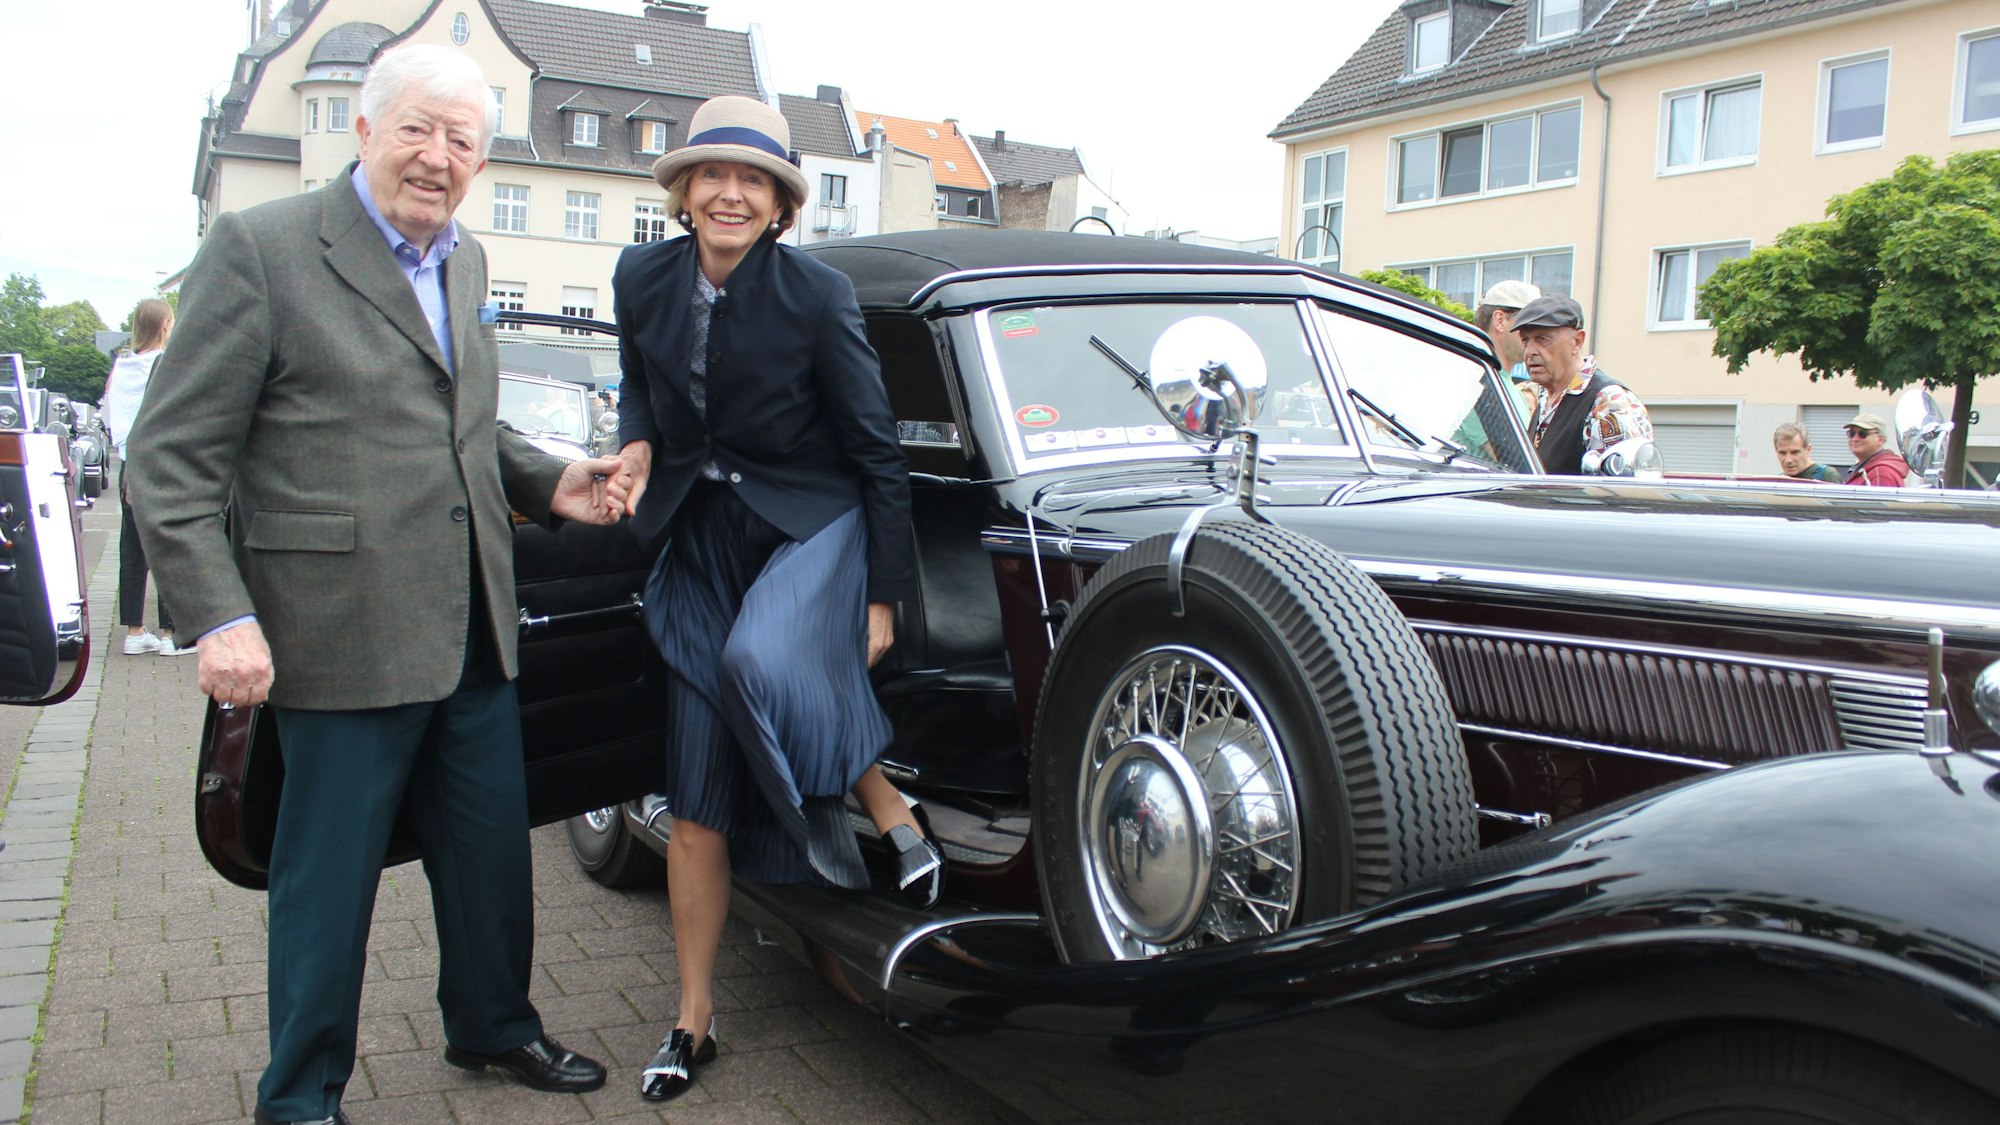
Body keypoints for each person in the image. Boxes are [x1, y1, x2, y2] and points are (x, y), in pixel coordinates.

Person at [128, 44, 619, 1125]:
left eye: (461, 141)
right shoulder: (262, 250)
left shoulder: (468, 260)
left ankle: (493, 1027)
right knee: (327, 886)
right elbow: (167, 458)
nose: (437, 158)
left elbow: (462, 428)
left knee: (492, 859)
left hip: (471, 627)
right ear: (363, 130)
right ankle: (299, 1096)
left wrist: (555, 484)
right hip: (337, 631)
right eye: (417, 129)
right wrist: (218, 613)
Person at [604, 95, 938, 1104]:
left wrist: (881, 600)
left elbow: (877, 453)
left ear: (782, 202)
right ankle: (692, 1019)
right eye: (712, 175)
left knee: (762, 660)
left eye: (753, 180)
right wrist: (635, 444)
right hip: (701, 537)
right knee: (696, 795)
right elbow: (635, 385)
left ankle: (879, 807)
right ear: (684, 191)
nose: (730, 194)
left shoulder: (816, 294)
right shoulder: (639, 275)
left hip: (810, 521)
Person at [103, 298, 193, 656]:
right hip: (160, 464)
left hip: (128, 463)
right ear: (166, 325)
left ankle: (135, 632)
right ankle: (172, 634)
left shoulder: (121, 366)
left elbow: (110, 417)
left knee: (132, 550)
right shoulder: (165, 363)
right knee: (168, 547)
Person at [1514, 295, 1654, 474]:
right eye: (1525, 340)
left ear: (1577, 341)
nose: (1530, 351)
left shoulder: (1607, 401)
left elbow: (1621, 488)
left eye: (1542, 339)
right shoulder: (1544, 396)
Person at [1473, 279, 1540, 421]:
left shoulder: (1507, 387)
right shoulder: (1478, 384)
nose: (1537, 333)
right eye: (1529, 323)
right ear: (1500, 320)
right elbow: (1498, 444)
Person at [1842, 412, 1910, 486]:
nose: (1855, 439)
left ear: (1880, 439)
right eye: (1851, 433)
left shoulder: (1881, 474)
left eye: (1863, 434)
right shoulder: (1866, 469)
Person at [1772, 422, 1842, 482]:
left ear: (1808, 450)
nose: (1788, 460)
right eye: (1782, 453)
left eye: (1795, 452)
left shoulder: (1827, 476)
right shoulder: (1779, 481)